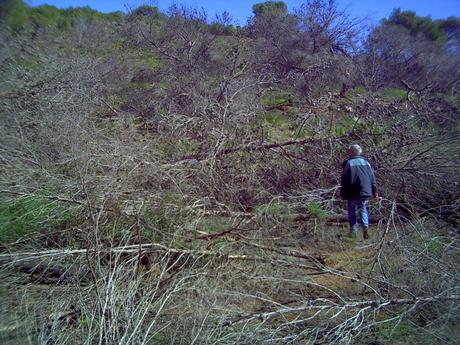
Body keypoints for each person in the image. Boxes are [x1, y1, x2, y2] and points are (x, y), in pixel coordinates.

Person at [340, 144, 376, 239]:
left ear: (351, 152)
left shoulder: (348, 163)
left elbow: (344, 180)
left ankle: (353, 231)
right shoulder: (366, 162)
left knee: (352, 210)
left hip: (352, 191)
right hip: (365, 191)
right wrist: (374, 192)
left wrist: (343, 193)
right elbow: (373, 178)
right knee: (363, 208)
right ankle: (365, 227)